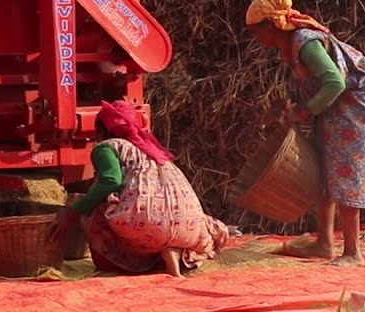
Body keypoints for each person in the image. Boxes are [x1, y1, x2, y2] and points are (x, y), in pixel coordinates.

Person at [245, 0, 365, 267]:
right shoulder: (292, 46)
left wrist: (305, 111)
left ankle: (353, 252)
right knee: (324, 169)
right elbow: (316, 84)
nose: (257, 38)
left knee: (347, 170)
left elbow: (335, 82)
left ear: (272, 25)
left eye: (257, 31)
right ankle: (324, 243)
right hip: (339, 102)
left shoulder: (305, 42)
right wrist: (282, 110)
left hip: (362, 103)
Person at [47, 100, 229, 277]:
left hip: (146, 224)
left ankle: (121, 263)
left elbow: (111, 181)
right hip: (189, 226)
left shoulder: (107, 147)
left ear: (101, 129)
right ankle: (171, 252)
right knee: (168, 220)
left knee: (95, 211)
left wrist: (74, 211)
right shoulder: (152, 149)